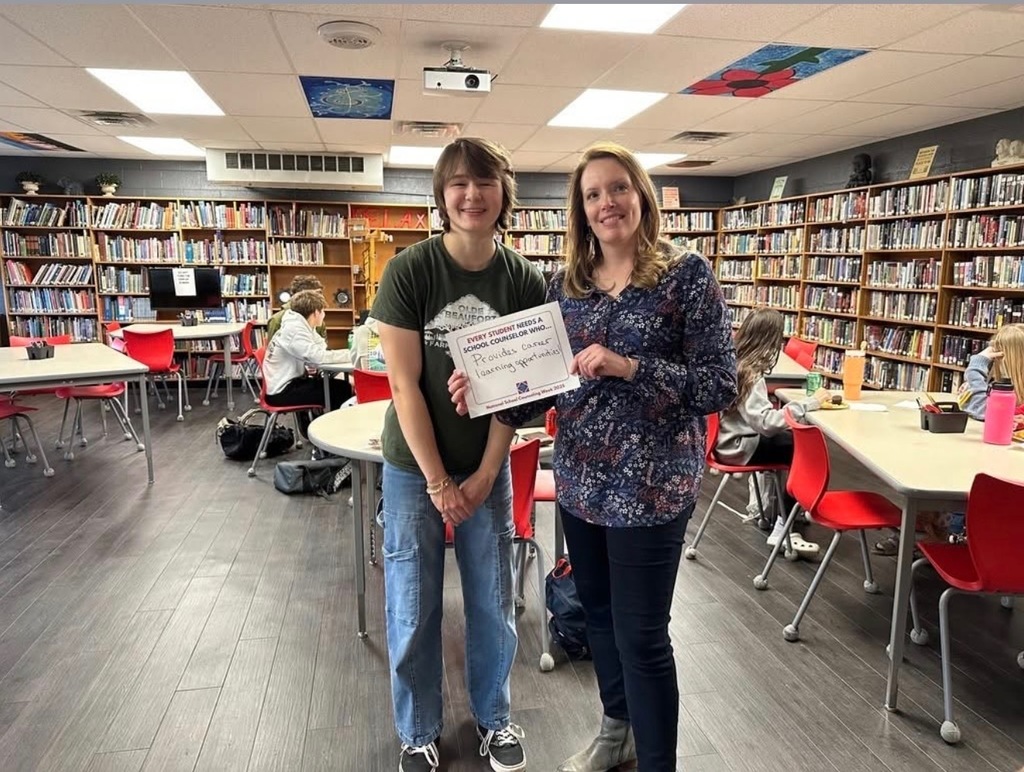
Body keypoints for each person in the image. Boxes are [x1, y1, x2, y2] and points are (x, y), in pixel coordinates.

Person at [450, 141, 737, 772]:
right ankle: (617, 733)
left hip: (652, 487)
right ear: (580, 211)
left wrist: (630, 367)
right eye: (592, 194)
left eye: (618, 188)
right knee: (599, 617)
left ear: (641, 194)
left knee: (643, 634)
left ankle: (660, 761)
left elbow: (720, 385)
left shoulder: (686, 276)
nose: (607, 203)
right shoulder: (565, 287)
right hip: (581, 480)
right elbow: (542, 385)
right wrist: (485, 392)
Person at [369, 137, 546, 772]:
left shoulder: (524, 279)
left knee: (492, 600)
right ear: (442, 196)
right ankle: (417, 730)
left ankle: (495, 720)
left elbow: (519, 392)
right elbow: (402, 384)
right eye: (458, 183)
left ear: (505, 192)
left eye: (486, 181)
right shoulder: (410, 271)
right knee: (412, 602)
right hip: (416, 468)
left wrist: (488, 473)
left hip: (487, 467)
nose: (472, 195)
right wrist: (442, 482)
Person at [875, 324, 1024, 553]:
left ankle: (934, 536)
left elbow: (981, 408)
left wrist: (976, 367)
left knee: (939, 473)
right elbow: (971, 405)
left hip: (1002, 483)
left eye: (994, 357)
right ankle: (921, 532)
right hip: (991, 470)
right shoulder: (998, 391)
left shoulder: (1010, 399)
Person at [715, 308, 831, 556]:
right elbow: (766, 423)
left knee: (790, 444)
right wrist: (810, 404)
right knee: (799, 448)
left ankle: (784, 512)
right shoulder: (751, 373)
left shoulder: (735, 362)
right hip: (740, 446)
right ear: (770, 340)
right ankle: (784, 527)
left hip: (730, 441)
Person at [262, 289, 352, 428]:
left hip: (287, 383)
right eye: (322, 311)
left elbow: (320, 347)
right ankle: (333, 436)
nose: (324, 315)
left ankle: (329, 432)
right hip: (281, 391)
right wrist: (351, 354)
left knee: (339, 387)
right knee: (341, 390)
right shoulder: (295, 331)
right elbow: (319, 357)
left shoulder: (299, 324)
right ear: (316, 312)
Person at [266, 274, 328, 342]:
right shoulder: (277, 320)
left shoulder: (316, 317)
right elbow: (272, 350)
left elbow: (322, 349)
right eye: (315, 296)